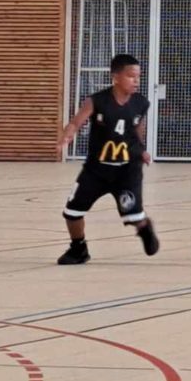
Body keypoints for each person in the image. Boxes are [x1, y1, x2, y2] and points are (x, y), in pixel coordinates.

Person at [56, 54, 159, 265]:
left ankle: (144, 227)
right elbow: (76, 122)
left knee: (133, 216)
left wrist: (142, 151)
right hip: (96, 170)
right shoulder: (96, 101)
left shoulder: (141, 103)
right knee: (72, 212)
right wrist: (68, 133)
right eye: (131, 76)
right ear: (116, 77)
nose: (136, 80)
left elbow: (137, 130)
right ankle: (78, 249)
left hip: (127, 170)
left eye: (138, 76)